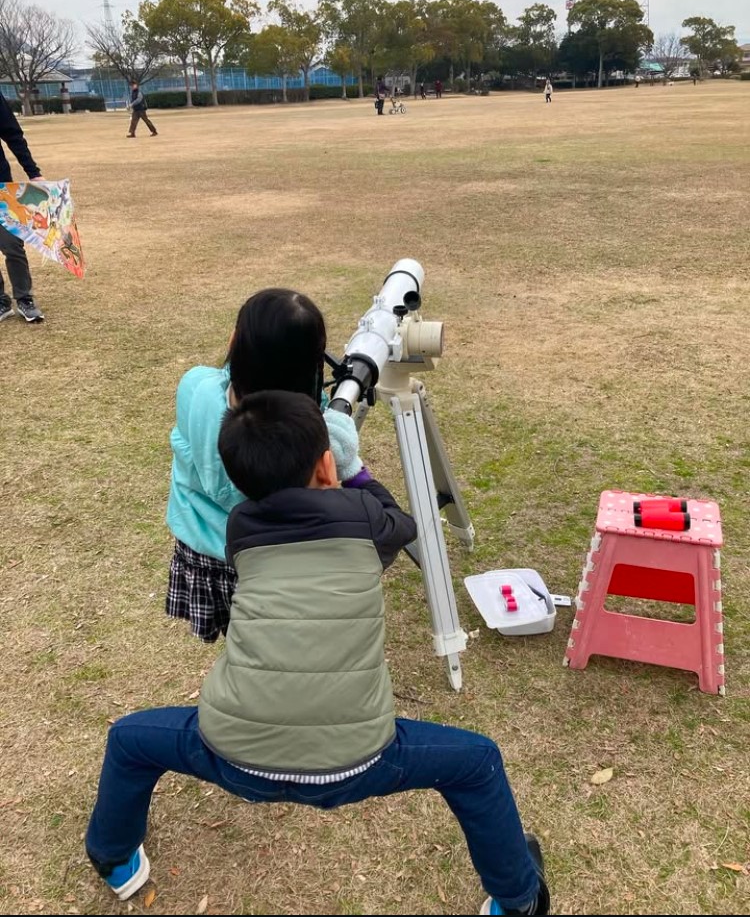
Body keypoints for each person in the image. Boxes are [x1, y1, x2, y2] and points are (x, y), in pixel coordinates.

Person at [85, 390, 551, 916]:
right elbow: (402, 522)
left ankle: (113, 857)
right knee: (478, 762)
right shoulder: (366, 517)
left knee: (129, 740)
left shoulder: (241, 528)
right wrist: (354, 470)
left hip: (230, 753)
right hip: (363, 760)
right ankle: (517, 900)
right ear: (328, 463)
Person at [165, 288, 363, 643]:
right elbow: (340, 457)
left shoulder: (195, 387)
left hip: (203, 553)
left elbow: (222, 385)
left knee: (236, 640)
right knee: (270, 644)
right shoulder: (306, 430)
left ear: (236, 342)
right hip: (268, 559)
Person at [0, 92, 45, 324]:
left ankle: (24, 299)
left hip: (0, 188)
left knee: (12, 245)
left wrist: (33, 172)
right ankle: (1, 301)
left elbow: (12, 134)